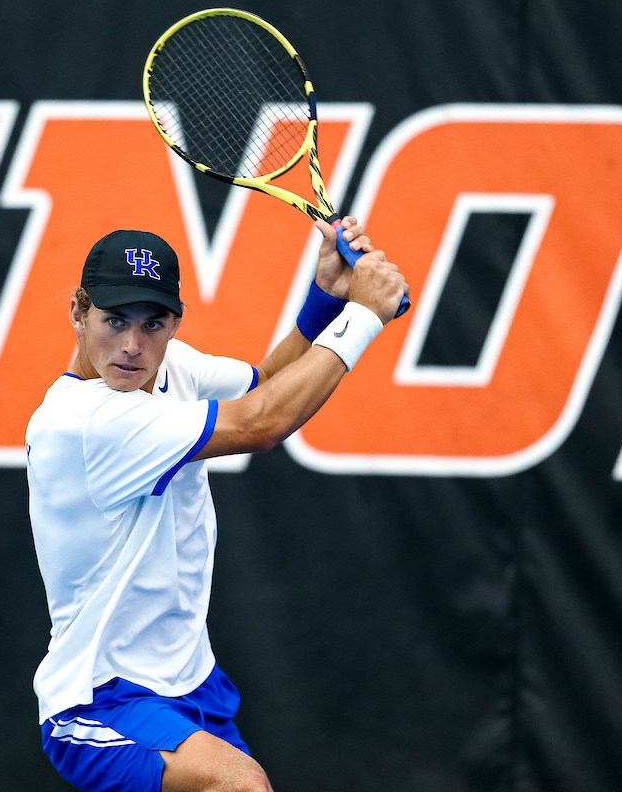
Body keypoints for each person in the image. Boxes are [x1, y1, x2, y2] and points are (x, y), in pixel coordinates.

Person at [25, 218, 408, 792]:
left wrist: (327, 298)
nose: (132, 345)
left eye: (153, 324)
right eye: (114, 320)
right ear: (79, 312)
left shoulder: (171, 366)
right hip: (101, 699)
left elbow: (265, 385)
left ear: (175, 323)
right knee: (240, 784)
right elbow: (261, 423)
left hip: (190, 682)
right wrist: (364, 317)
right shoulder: (81, 421)